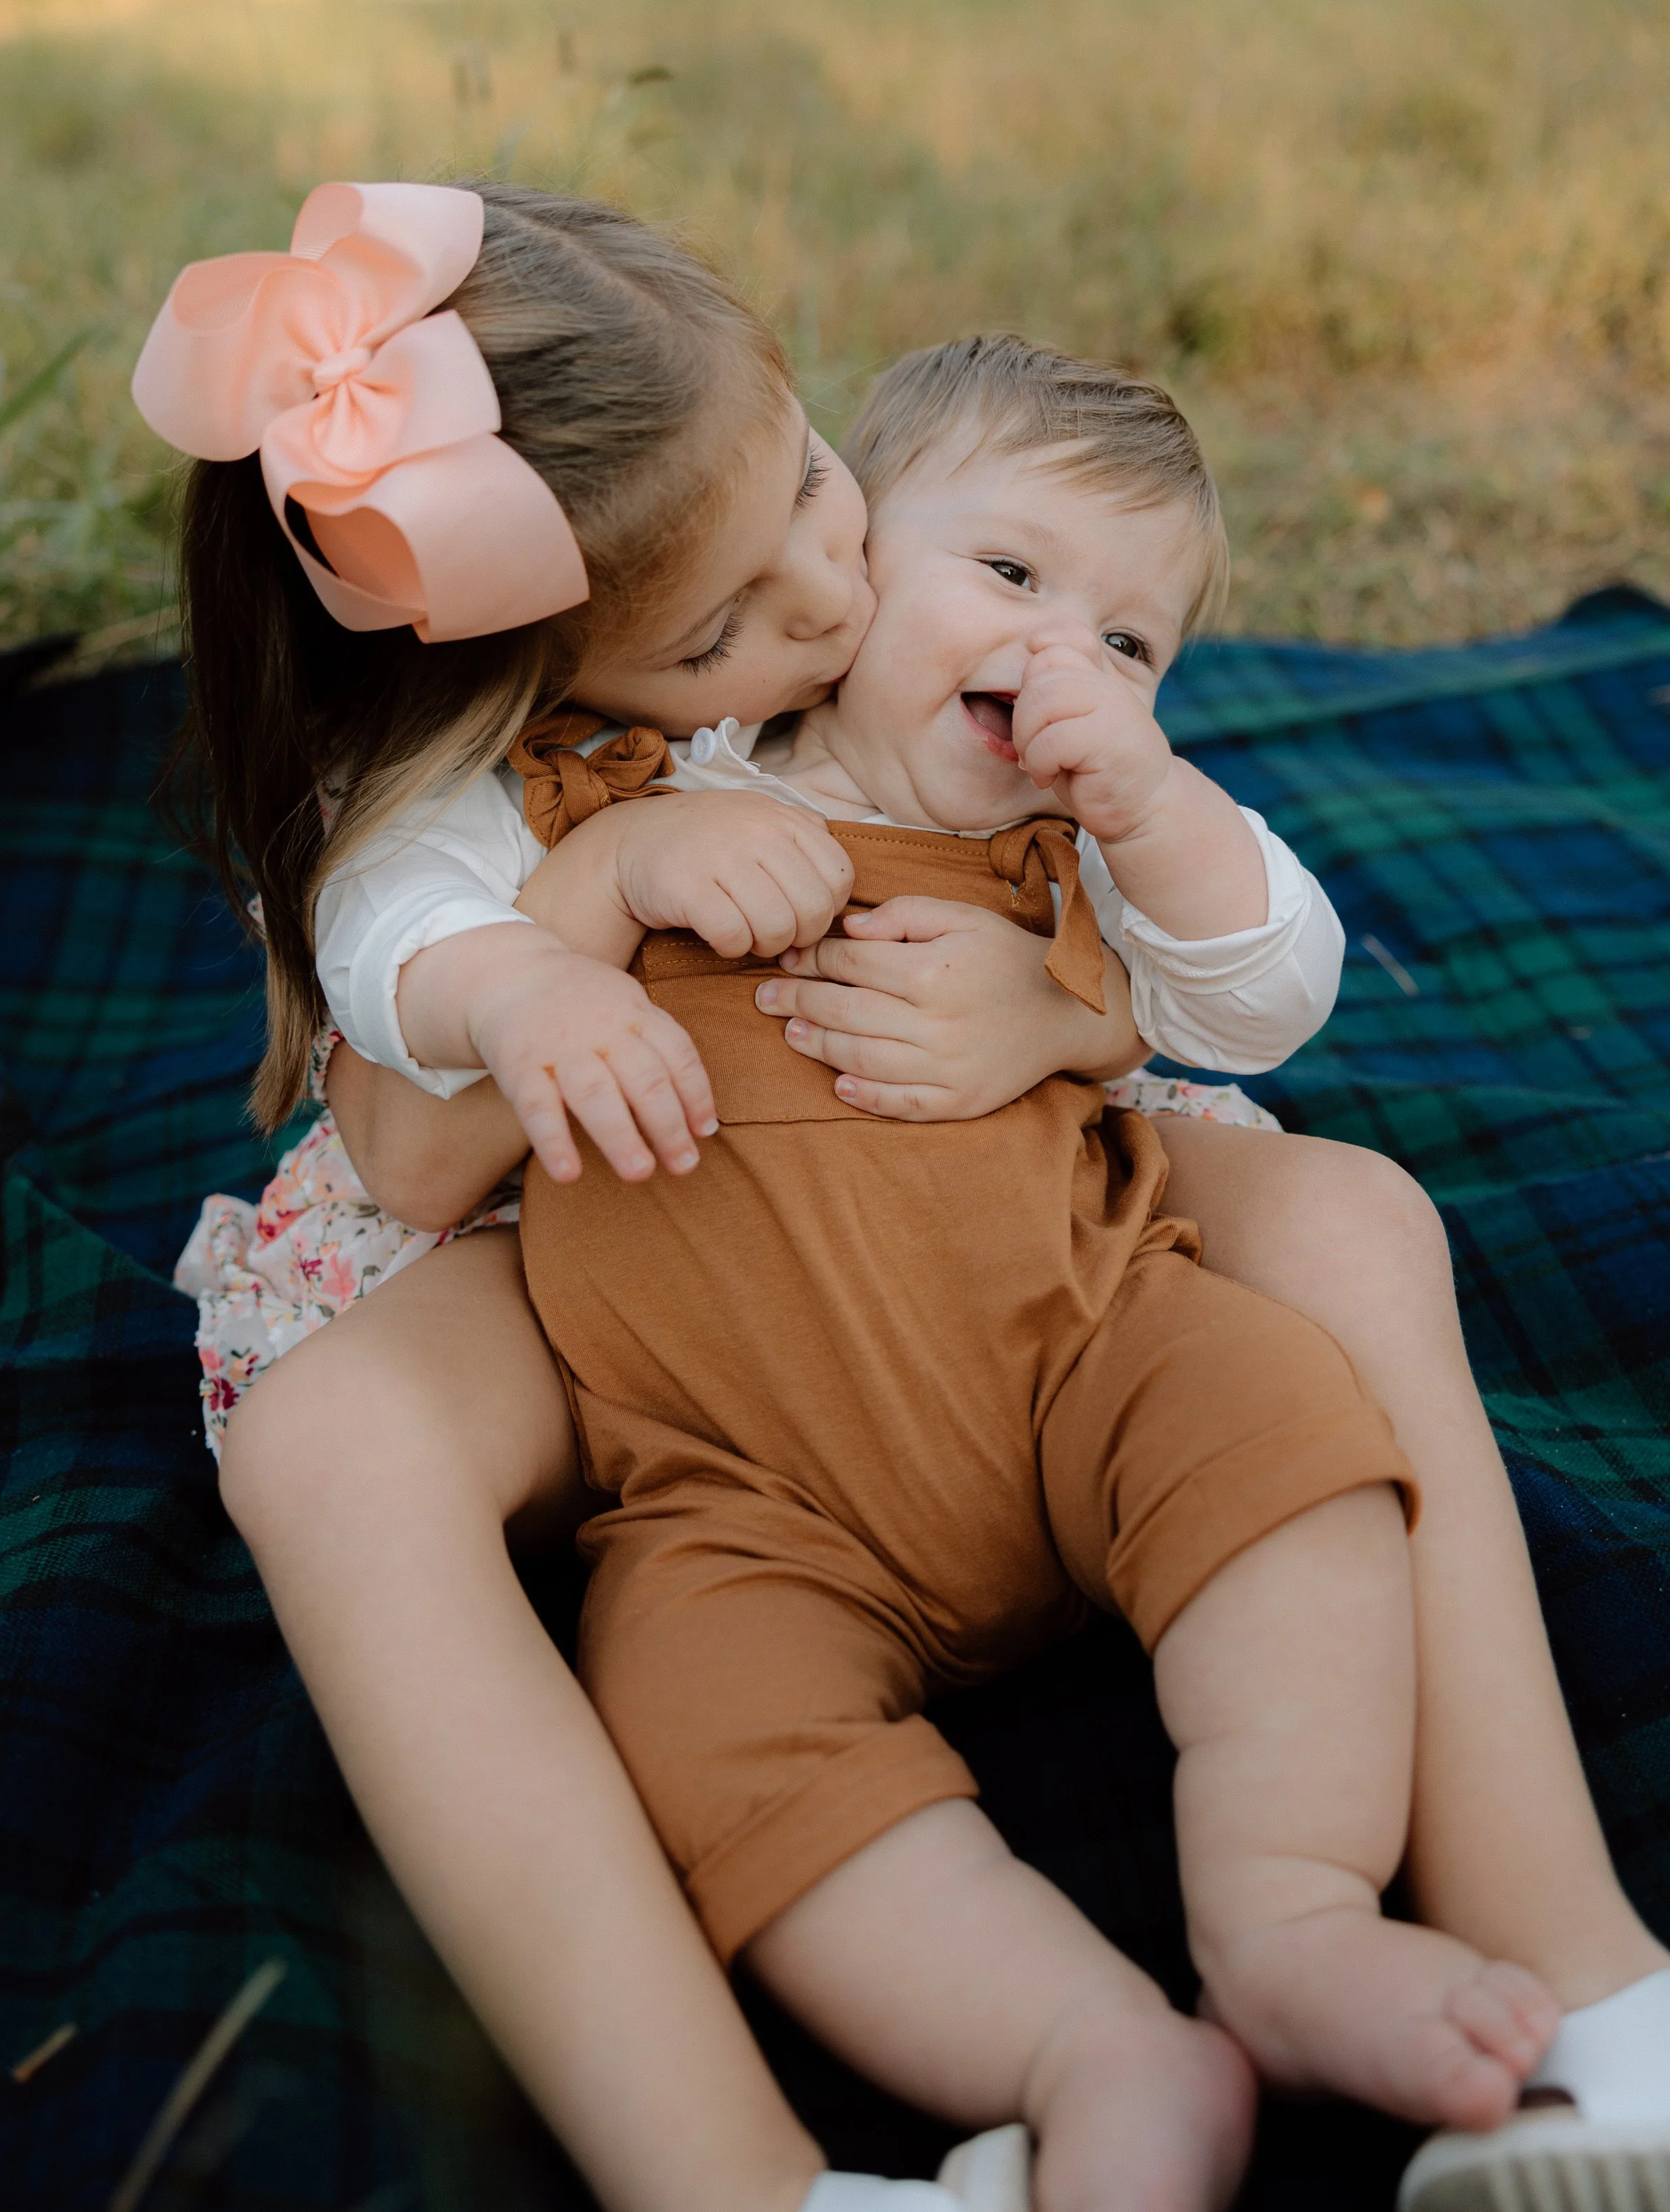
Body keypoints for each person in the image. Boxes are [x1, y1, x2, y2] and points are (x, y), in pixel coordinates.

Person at [130, 187, 1666, 2212]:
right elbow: (400, 1008)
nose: (828, 591)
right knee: (469, 1543)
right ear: (548, 662)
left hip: (1025, 1267)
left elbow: (1227, 981)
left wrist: (1059, 1009)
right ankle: (742, 2173)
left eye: (821, 483)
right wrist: (577, 919)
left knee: (1347, 1244)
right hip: (655, 1321)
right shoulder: (523, 794)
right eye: (718, 623)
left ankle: (1568, 1984)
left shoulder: (977, 740)